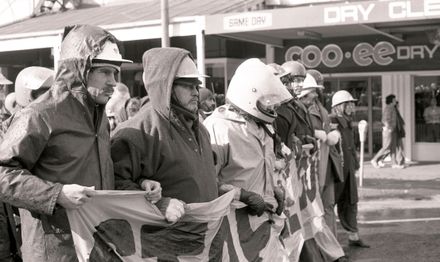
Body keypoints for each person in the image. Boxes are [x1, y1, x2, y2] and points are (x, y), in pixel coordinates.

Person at [0, 24, 132, 261]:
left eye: (116, 73)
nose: (113, 81)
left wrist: (142, 186)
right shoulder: (40, 114)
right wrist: (57, 194)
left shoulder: (100, 119)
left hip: (97, 246)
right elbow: (2, 174)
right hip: (56, 251)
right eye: (105, 72)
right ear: (80, 68)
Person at [111, 47, 218, 223]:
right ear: (166, 86)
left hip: (205, 241)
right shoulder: (136, 133)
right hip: (163, 243)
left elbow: (199, 180)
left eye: (196, 86)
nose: (196, 92)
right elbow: (114, 186)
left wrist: (234, 191)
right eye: (187, 85)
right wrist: (159, 203)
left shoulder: (200, 130)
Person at [204, 58, 292, 261]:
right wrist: (241, 195)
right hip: (232, 229)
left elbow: (260, 168)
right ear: (249, 96)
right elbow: (207, 183)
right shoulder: (220, 127)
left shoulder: (263, 126)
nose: (272, 108)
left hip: (263, 226)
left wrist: (273, 189)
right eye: (266, 101)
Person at [300, 70, 343, 237]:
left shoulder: (320, 106)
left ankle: (333, 248)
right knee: (315, 209)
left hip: (327, 162)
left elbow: (325, 125)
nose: (318, 92)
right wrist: (321, 134)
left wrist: (330, 133)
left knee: (328, 206)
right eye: (315, 89)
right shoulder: (305, 106)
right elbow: (305, 130)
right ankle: (324, 249)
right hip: (314, 164)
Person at [330, 90, 370, 248]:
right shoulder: (332, 120)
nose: (352, 106)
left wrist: (356, 163)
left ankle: (354, 237)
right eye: (349, 103)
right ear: (339, 106)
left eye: (352, 103)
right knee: (330, 204)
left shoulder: (348, 122)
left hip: (348, 169)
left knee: (351, 201)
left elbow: (351, 146)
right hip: (336, 170)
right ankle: (331, 245)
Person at [371, 94, 406, 169]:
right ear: (391, 101)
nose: (395, 101)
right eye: (394, 100)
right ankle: (374, 160)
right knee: (386, 147)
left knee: (393, 147)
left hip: (392, 130)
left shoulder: (392, 108)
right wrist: (389, 128)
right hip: (389, 130)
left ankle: (394, 163)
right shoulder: (389, 108)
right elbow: (385, 119)